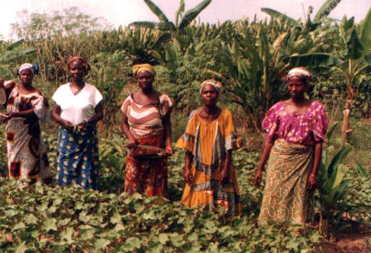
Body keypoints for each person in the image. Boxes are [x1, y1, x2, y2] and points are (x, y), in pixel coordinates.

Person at [254, 67, 327, 225]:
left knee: (299, 194)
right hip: (279, 158)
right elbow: (269, 140)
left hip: (302, 160)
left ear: (306, 86)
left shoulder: (316, 109)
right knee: (274, 192)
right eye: (291, 85)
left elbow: (318, 143)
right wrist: (260, 168)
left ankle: (295, 228)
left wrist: (313, 174)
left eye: (298, 85)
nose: (293, 89)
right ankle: (271, 226)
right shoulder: (278, 108)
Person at [175, 80, 241, 215]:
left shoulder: (226, 115)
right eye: (206, 92)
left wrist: (226, 168)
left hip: (220, 164)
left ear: (217, 95)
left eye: (212, 92)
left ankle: (222, 219)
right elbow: (189, 144)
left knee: (223, 193)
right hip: (199, 165)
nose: (209, 95)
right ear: (201, 95)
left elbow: (229, 145)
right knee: (195, 198)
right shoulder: (195, 116)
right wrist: (187, 168)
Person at [120, 64, 173, 197]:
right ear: (137, 79)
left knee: (154, 181)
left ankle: (155, 209)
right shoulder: (130, 100)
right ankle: (132, 209)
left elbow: (167, 124)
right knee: (134, 179)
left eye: (147, 77)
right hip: (135, 147)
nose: (144, 80)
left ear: (153, 78)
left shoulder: (162, 100)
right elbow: (123, 123)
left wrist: (168, 145)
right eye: (141, 78)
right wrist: (130, 138)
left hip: (156, 147)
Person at [52, 56, 103, 190]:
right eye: (73, 69)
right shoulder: (62, 90)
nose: (76, 72)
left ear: (84, 70)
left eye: (79, 69)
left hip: (86, 136)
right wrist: (63, 121)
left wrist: (87, 121)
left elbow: (100, 113)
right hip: (67, 135)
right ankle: (66, 193)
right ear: (69, 71)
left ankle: (87, 195)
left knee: (86, 166)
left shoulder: (92, 91)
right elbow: (54, 113)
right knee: (65, 164)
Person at [2, 63, 52, 183]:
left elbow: (37, 112)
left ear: (33, 76)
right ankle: (16, 183)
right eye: (23, 74)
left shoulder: (37, 94)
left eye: (28, 74)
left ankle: (30, 185)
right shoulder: (12, 89)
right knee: (13, 157)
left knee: (30, 158)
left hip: (29, 133)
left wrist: (16, 114)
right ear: (19, 75)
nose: (25, 77)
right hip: (13, 132)